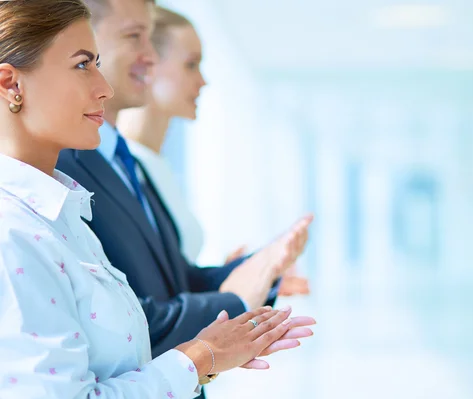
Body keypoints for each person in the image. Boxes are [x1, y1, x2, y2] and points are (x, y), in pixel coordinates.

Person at [0, 1, 315, 398]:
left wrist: (221, 340)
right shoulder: (12, 231)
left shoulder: (63, 213)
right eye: (83, 64)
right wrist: (201, 357)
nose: (104, 87)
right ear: (12, 85)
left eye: (96, 62)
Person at [117, 6, 310, 298]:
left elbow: (174, 279)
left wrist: (243, 274)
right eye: (191, 64)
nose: (202, 81)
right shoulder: (119, 168)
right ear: (147, 63)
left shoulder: (154, 167)